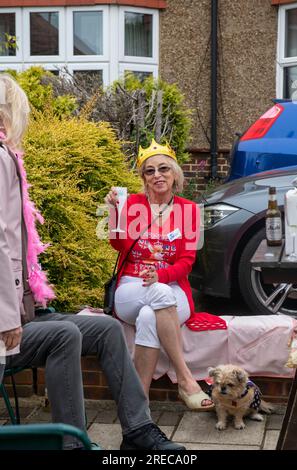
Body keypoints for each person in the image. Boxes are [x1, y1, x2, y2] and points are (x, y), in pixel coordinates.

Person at [0, 73, 185, 451]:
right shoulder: (1, 158)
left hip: (22, 315)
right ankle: (73, 445)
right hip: (5, 323)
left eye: (163, 169)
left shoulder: (186, 210)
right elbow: (2, 241)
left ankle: (137, 431)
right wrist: (6, 317)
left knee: (104, 329)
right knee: (64, 334)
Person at [105, 139, 215, 411]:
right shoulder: (129, 204)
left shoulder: (189, 210)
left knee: (148, 314)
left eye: (163, 168)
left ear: (175, 172)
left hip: (172, 285)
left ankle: (137, 401)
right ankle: (186, 379)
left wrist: (162, 275)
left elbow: (188, 262)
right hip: (132, 287)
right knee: (157, 297)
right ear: (143, 177)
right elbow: (118, 246)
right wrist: (113, 214)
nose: (157, 175)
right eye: (149, 171)